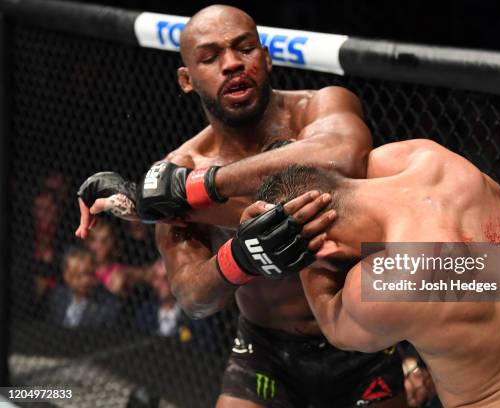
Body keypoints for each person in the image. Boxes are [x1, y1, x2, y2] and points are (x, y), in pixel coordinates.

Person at [75, 5, 409, 407]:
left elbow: (341, 155)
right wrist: (240, 258)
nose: (232, 64)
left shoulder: (320, 108)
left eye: (244, 48)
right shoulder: (177, 171)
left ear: (266, 58)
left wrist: (200, 189)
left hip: (364, 341)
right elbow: (190, 296)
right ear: (186, 80)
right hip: (266, 351)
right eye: (211, 57)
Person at [250, 139, 500, 407]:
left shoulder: (392, 283)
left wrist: (299, 257)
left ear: (325, 249)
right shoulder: (430, 159)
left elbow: (333, 326)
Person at [47, 246, 121, 329]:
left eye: (88, 273)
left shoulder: (109, 305)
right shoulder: (57, 296)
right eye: (77, 275)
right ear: (66, 276)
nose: (84, 280)